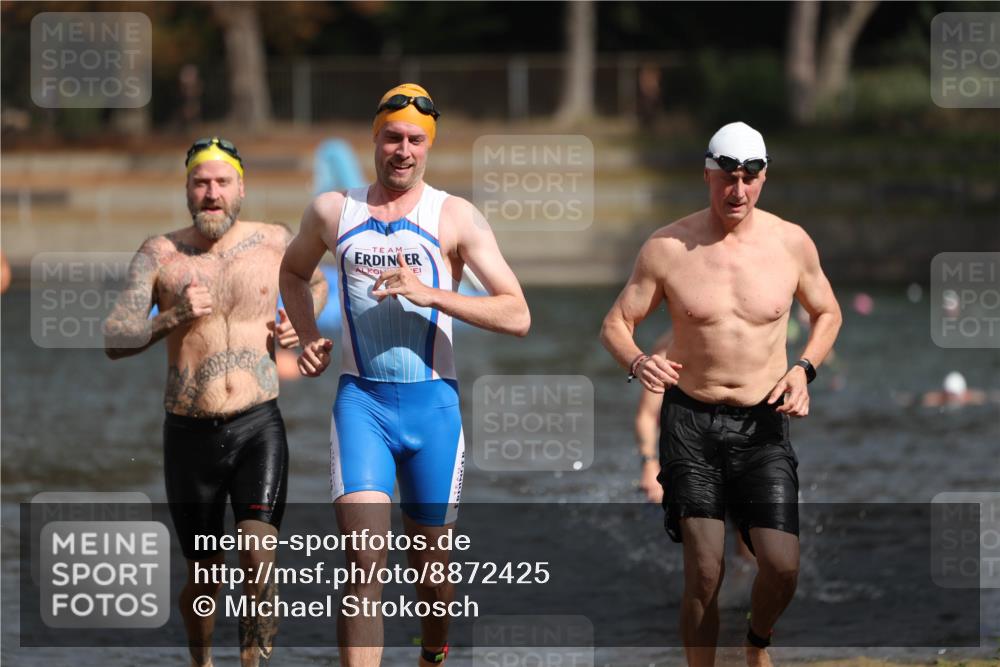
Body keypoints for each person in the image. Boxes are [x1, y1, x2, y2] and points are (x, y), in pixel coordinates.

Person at [279, 83, 530, 667]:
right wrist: (311, 335)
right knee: (365, 562)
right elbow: (293, 274)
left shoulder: (454, 216)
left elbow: (517, 314)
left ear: (429, 147)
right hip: (361, 405)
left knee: (432, 576)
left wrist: (432, 294)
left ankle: (434, 652)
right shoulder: (331, 211)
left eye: (416, 140)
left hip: (433, 409)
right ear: (375, 138)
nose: (403, 150)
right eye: (392, 137)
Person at [601, 122, 842, 667]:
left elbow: (827, 312)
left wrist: (804, 369)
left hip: (763, 424)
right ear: (707, 175)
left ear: (763, 177)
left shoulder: (791, 242)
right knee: (706, 570)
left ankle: (757, 641)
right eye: (726, 178)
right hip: (691, 423)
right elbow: (616, 324)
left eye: (749, 178)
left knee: (782, 565)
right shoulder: (668, 246)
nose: (737, 191)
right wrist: (639, 361)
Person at [104, 137, 328, 667]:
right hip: (188, 433)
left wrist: (298, 321)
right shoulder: (159, 253)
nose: (211, 194)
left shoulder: (274, 241)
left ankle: (253, 662)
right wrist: (172, 316)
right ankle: (201, 661)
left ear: (240, 188)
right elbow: (114, 338)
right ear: (186, 190)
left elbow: (317, 283)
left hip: (258, 424)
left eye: (221, 183)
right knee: (203, 578)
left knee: (258, 553)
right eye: (201, 183)